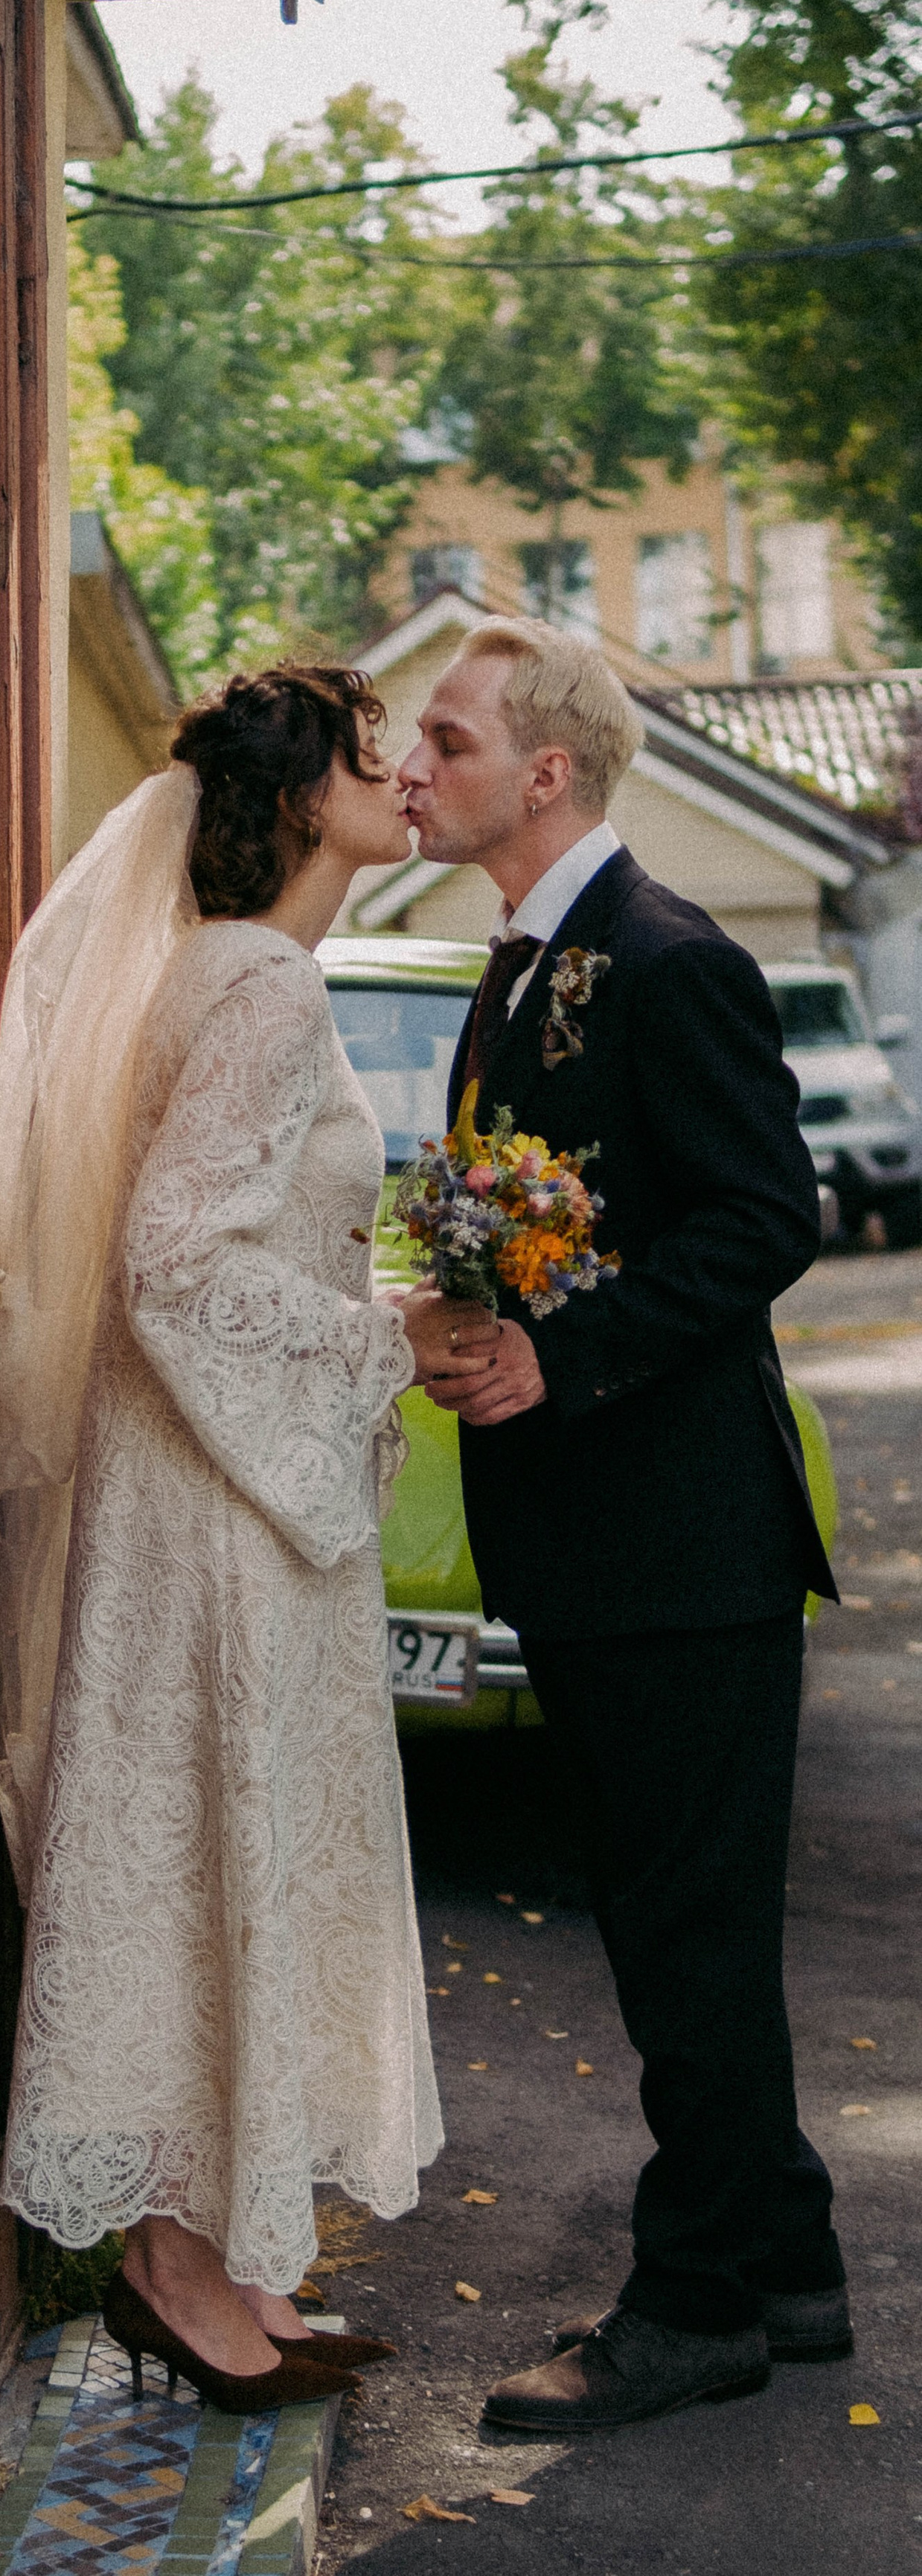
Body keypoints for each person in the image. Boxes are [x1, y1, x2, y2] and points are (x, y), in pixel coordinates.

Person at [0, 661, 461, 2415]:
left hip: (204, 1489)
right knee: (225, 1852)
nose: (404, 771)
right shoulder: (256, 982)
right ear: (301, 795)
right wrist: (377, 1340)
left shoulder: (222, 971)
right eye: (371, 750)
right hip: (216, 1513)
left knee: (208, 1862)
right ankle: (182, 2269)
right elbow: (173, 1262)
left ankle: (226, 2258)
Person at [397, 617, 845, 2433]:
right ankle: (792, 2263)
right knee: (679, 1922)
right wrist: (456, 1318)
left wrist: (554, 1356)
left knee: (683, 1939)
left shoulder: (662, 958)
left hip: (681, 1550)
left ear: (546, 772)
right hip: (586, 1548)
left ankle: (691, 2312)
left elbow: (762, 1219)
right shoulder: (514, 967)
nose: (413, 765)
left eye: (443, 737)